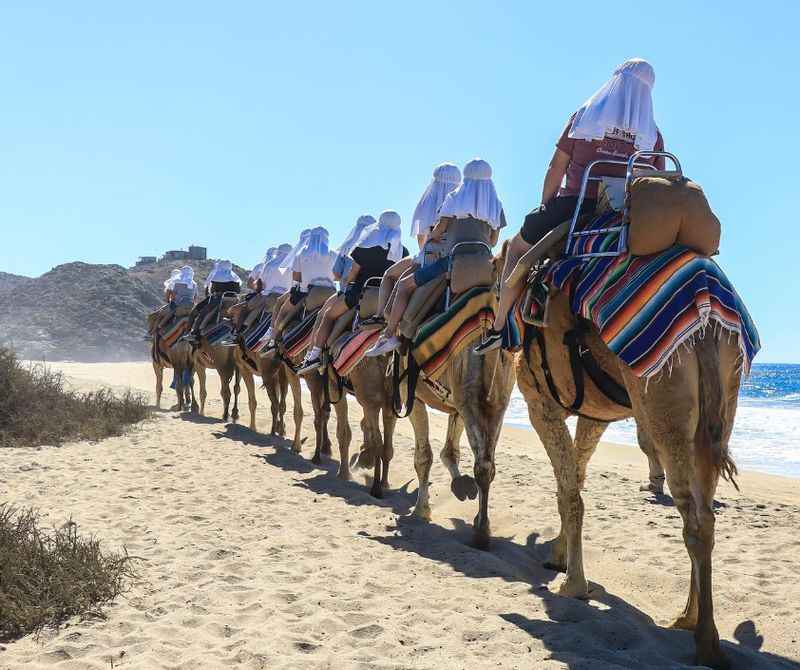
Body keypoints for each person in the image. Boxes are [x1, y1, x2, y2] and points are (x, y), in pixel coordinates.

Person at [475, 58, 665, 354]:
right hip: (622, 216)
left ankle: (500, 327)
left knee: (516, 249)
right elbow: (657, 183)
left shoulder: (585, 118)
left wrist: (546, 206)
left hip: (573, 207)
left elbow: (556, 167)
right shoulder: (652, 136)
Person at [367, 158, 506, 357]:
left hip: (452, 263)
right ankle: (509, 336)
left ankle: (389, 334)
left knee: (405, 286)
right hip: (486, 264)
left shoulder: (453, 199)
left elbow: (438, 232)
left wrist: (436, 235)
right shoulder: (496, 206)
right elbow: (492, 241)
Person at [296, 211, 408, 374]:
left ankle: (314, 355)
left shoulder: (364, 246)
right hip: (390, 298)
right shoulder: (402, 251)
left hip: (360, 296)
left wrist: (347, 281)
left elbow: (352, 276)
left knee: (328, 315)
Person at [369, 163, 461, 323]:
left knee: (389, 275)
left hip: (432, 256)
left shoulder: (429, 201)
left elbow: (421, 240)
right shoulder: (463, 200)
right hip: (460, 256)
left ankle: (382, 319)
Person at [264, 227, 336, 351]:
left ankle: (273, 340)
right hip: (331, 294)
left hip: (309, 293)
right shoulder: (333, 253)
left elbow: (296, 277)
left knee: (283, 310)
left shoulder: (302, 253)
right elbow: (338, 275)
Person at [185, 260, 242, 342]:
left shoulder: (217, 275)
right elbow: (238, 291)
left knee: (202, 313)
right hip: (233, 301)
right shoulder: (235, 277)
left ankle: (194, 332)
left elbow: (212, 290)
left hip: (218, 299)